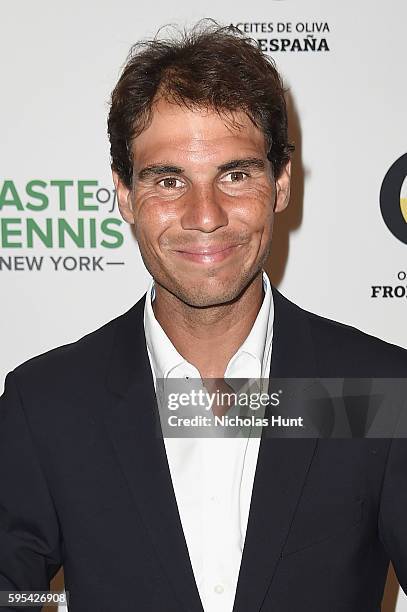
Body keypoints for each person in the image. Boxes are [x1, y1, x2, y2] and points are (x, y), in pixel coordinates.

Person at [1, 21, 407, 612]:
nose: (205, 215)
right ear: (123, 194)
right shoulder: (48, 403)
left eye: (235, 175)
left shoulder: (378, 390)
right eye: (168, 181)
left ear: (281, 184)